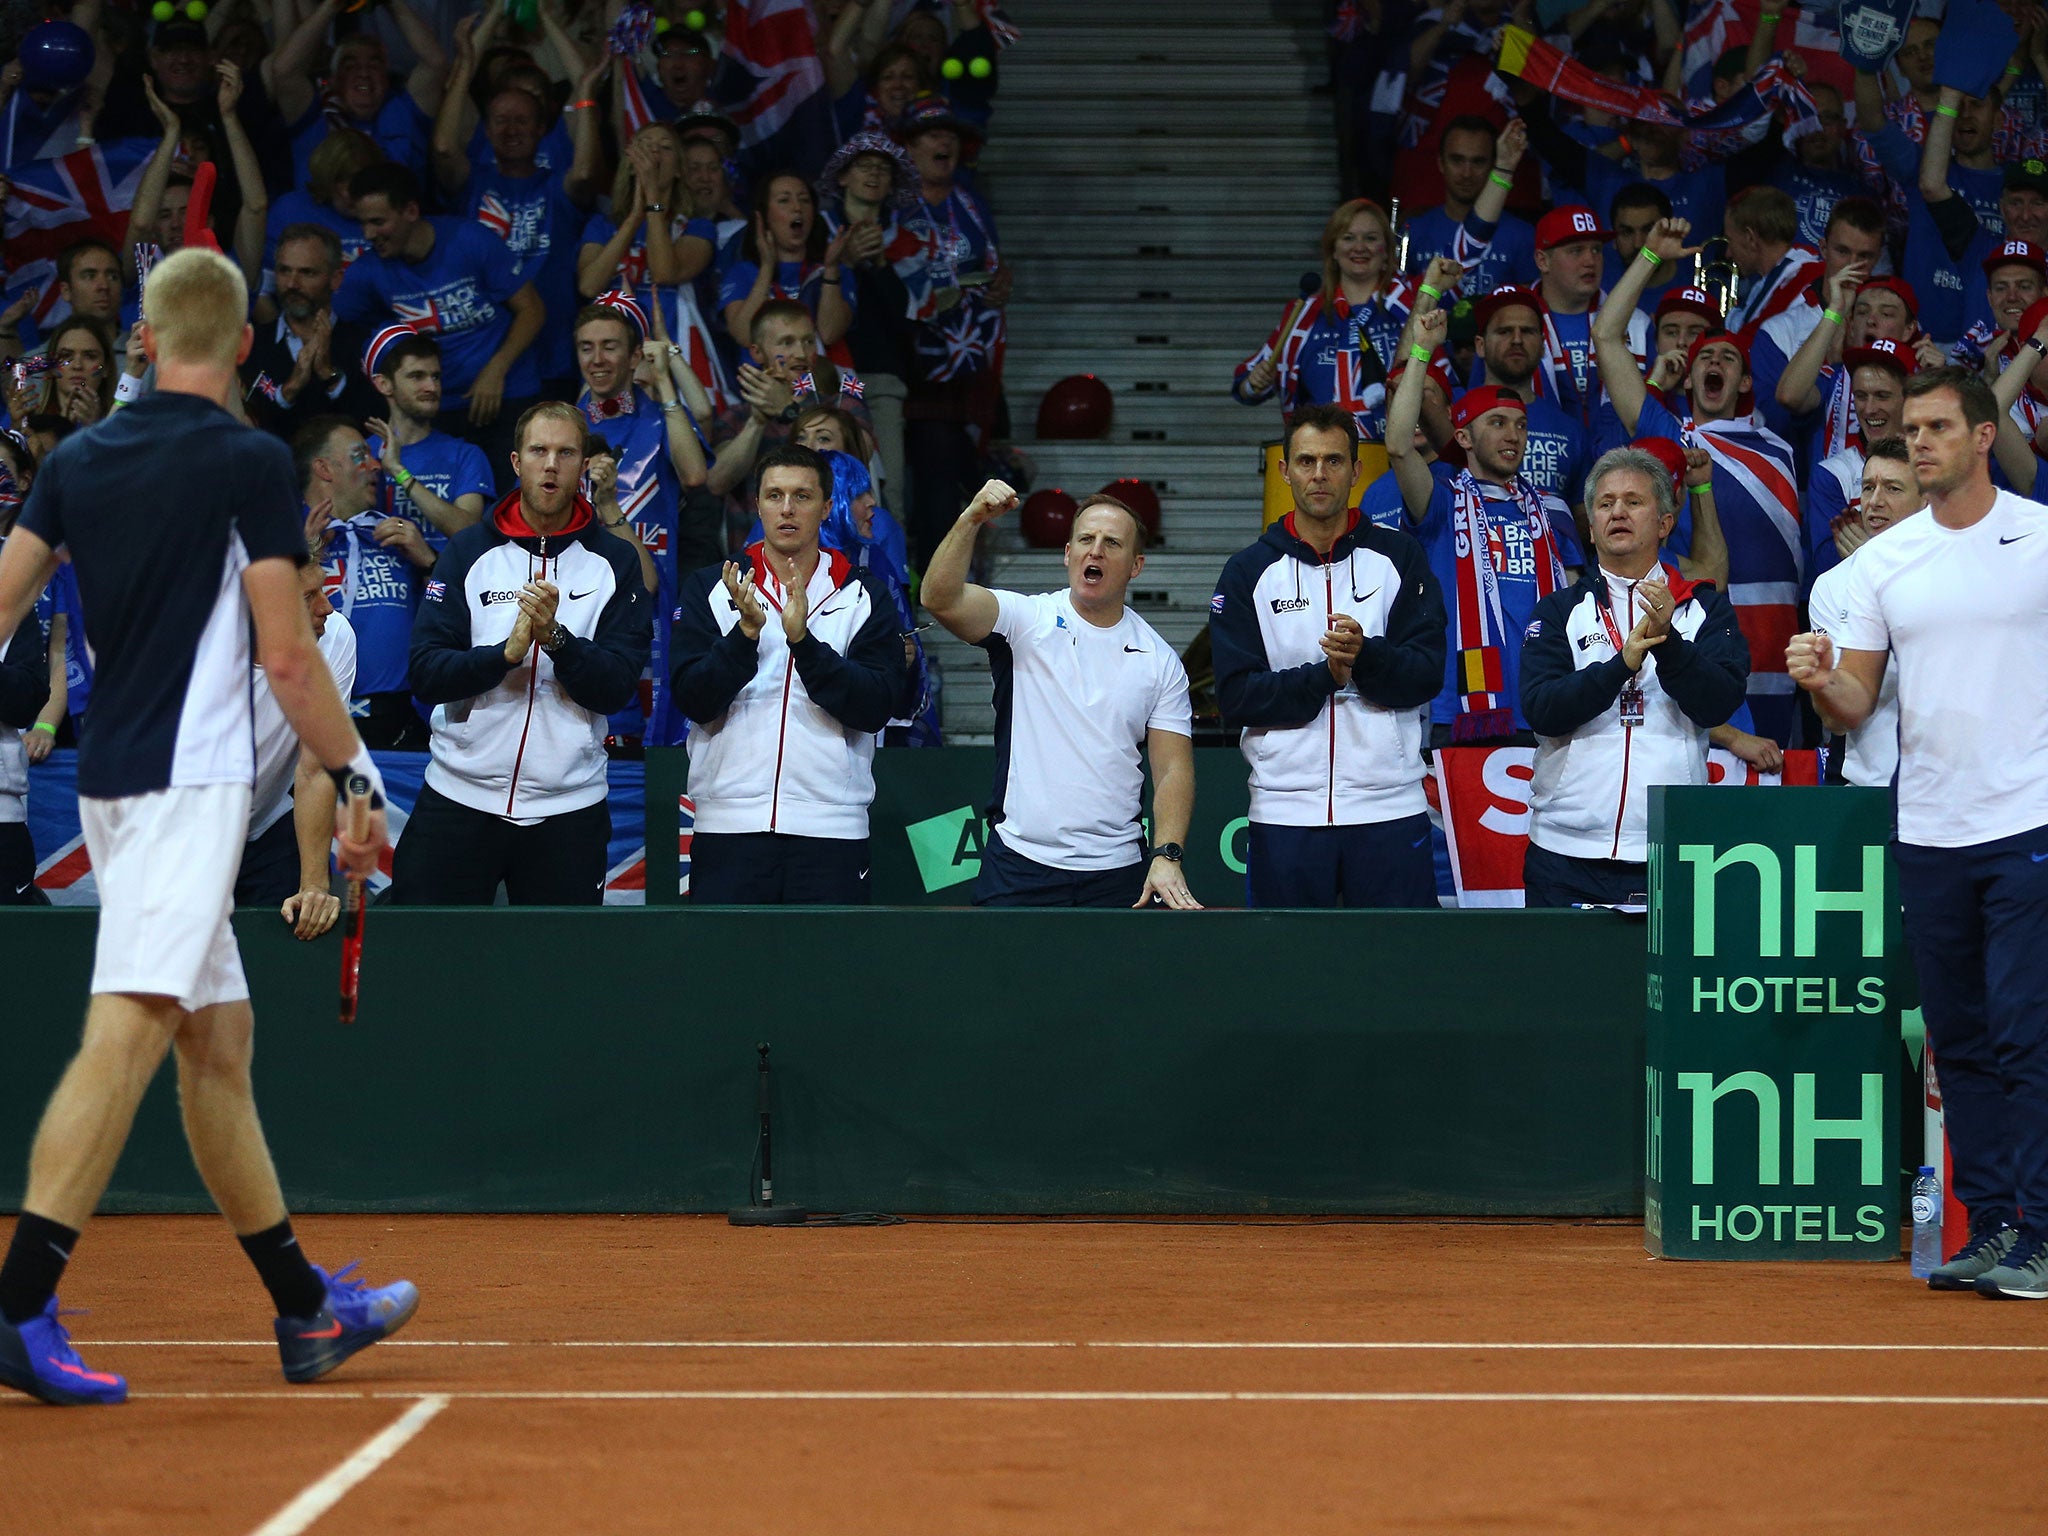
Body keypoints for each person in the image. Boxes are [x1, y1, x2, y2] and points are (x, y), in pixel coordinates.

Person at [0, 246, 409, 1408]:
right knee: (124, 1033)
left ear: (143, 337)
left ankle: (302, 1311)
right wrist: (356, 778)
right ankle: (20, 1304)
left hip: (112, 786)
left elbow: (3, 599)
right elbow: (288, 653)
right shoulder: (246, 460)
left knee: (215, 1049)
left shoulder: (76, 458)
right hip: (186, 787)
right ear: (239, 345)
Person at [1787, 367, 2048, 1300]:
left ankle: (2044, 1233)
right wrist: (1820, 676)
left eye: (1939, 426)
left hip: (2029, 820)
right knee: (1960, 1037)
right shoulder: (1878, 568)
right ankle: (1997, 1225)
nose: (1921, 439)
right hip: (1929, 826)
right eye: (1910, 426)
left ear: (1985, 436)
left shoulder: (2040, 538)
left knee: (2026, 1033)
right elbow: (1857, 708)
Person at [388, 401, 649, 906]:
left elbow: (617, 686)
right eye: (539, 451)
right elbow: (424, 673)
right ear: (516, 462)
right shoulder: (467, 551)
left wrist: (557, 640)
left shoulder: (615, 562)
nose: (551, 464)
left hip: (569, 808)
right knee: (426, 968)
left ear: (582, 464)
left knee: (558, 979)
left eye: (566, 452)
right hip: (458, 796)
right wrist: (504, 655)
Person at [922, 483, 1199, 910]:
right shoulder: (1025, 620)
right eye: (1086, 540)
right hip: (1019, 864)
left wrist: (1167, 855)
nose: (1096, 551)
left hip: (1119, 872)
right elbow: (939, 598)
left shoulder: (1159, 660)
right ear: (1067, 554)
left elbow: (1172, 771)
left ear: (1136, 565)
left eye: (1112, 543)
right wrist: (971, 518)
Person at [1211, 404, 1447, 908]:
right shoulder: (1248, 571)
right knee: (1286, 976)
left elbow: (1427, 675)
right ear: (1285, 470)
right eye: (1306, 461)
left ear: (1358, 471)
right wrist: (1325, 677)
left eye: (1334, 461)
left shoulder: (1400, 557)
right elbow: (1234, 696)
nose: (1319, 475)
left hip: (1389, 806)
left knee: (1397, 973)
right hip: (1284, 811)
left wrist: (1365, 657)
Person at [669, 444, 908, 903]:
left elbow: (875, 706)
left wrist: (805, 645)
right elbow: (693, 699)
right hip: (727, 826)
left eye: (801, 496)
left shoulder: (865, 595)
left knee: (826, 975)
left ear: (824, 506)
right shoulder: (712, 587)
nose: (787, 509)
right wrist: (743, 636)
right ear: (756, 504)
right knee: (728, 974)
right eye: (774, 495)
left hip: (832, 830)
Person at [1594, 217, 1803, 742]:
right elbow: (1605, 336)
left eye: (1727, 357)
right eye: (1703, 357)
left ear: (1746, 380)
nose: (1714, 361)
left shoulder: (1779, 447)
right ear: (1688, 378)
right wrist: (1648, 259)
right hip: (1702, 628)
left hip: (1779, 635)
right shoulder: (1671, 436)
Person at [1519, 446, 1749, 906]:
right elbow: (1542, 710)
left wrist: (1671, 645)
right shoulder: (1559, 610)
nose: (1617, 511)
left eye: (1633, 501)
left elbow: (1719, 701)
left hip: (1671, 849)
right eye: (1605, 503)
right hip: (1564, 852)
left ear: (1664, 523)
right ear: (1591, 526)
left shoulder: (1706, 608)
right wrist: (1619, 666)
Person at [1387, 306, 1582, 746]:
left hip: (1545, 707)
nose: (1512, 435)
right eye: (1496, 423)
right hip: (1462, 710)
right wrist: (1421, 351)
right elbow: (1399, 448)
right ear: (1464, 438)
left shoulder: (1552, 510)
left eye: (1520, 425)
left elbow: (1571, 602)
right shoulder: (1442, 501)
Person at [333, 163, 546, 476]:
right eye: (363, 224)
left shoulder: (470, 240)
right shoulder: (368, 272)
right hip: (435, 410)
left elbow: (532, 310)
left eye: (378, 222)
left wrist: (495, 371)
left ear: (410, 210)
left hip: (506, 395)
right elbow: (341, 324)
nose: (368, 235)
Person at [573, 294, 711, 748]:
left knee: (652, 734)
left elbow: (694, 475)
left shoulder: (660, 419)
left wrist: (666, 383)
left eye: (610, 346)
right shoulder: (566, 429)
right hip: (584, 600)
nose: (596, 359)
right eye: (586, 347)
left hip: (655, 602)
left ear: (635, 356)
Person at [236, 557, 354, 946]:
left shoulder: (333, 637)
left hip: (270, 822)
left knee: (280, 956)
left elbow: (315, 768)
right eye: (308, 596)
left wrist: (315, 884)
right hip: (186, 829)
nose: (327, 607)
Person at [298, 415, 434, 750]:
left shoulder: (398, 535)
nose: (375, 465)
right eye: (361, 455)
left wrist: (430, 562)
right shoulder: (277, 534)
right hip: (302, 715)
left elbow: (448, 614)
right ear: (324, 469)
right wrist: (297, 558)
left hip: (398, 725)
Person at [1801, 437, 1921, 789]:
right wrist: (1821, 683)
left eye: (1893, 488)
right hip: (1868, 790)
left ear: (1927, 499)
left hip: (1954, 793)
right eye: (1868, 487)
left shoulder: (1960, 573)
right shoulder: (1831, 586)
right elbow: (1836, 721)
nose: (1874, 502)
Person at [360, 328, 492, 560]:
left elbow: (470, 535)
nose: (431, 387)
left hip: (444, 589)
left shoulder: (465, 455)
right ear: (384, 384)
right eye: (416, 376)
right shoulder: (362, 453)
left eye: (436, 377)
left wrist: (399, 472)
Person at [241, 224, 379, 442]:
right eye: (284, 270)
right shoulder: (250, 345)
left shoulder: (364, 346)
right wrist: (289, 390)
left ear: (336, 280)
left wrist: (328, 375)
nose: (292, 284)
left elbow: (374, 424)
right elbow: (243, 429)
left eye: (307, 273)